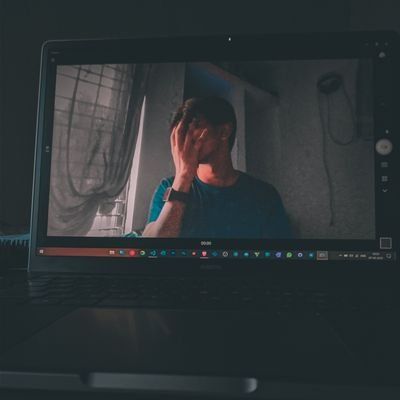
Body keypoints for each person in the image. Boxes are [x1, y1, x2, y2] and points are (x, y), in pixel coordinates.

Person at [142, 96, 292, 238]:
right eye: (181, 131)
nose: (186, 138)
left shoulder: (264, 196)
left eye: (195, 125)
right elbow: (152, 249)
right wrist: (183, 176)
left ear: (224, 131)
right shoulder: (168, 188)